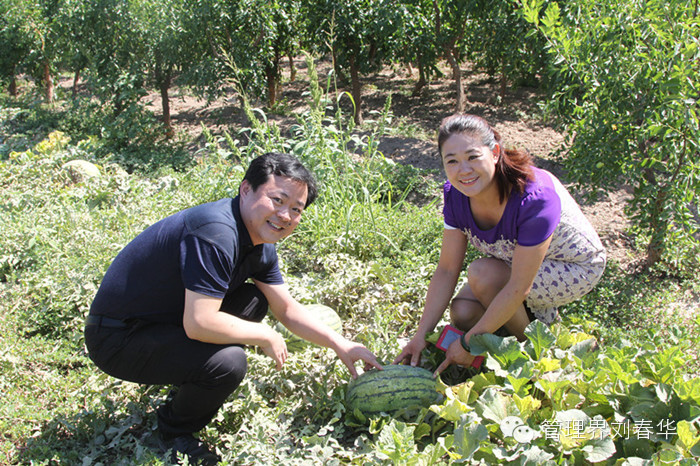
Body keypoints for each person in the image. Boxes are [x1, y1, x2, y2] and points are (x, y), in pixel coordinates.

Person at [85, 152, 381, 465]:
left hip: (161, 324)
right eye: (277, 200)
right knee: (229, 362)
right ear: (245, 190)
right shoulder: (216, 232)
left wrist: (341, 343)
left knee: (252, 300)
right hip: (117, 338)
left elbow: (288, 309)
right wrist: (264, 334)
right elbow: (199, 323)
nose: (285, 215)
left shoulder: (260, 243)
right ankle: (172, 434)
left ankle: (188, 384)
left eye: (296, 209)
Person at [394, 114, 606, 377]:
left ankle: (534, 351)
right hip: (517, 259)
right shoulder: (456, 195)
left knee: (484, 275)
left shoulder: (534, 198)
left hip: (574, 267)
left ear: (494, 152)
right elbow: (447, 269)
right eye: (452, 161)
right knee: (464, 311)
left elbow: (518, 286)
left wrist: (469, 342)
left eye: (473, 157)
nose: (464, 170)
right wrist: (420, 336)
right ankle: (523, 323)